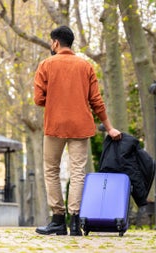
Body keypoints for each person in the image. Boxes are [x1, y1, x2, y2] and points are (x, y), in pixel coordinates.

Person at [34, 25, 121, 236]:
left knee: (51, 170)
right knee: (78, 172)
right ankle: (74, 222)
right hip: (81, 126)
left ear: (55, 43)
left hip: (54, 126)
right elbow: (96, 101)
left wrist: (55, 100)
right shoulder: (86, 66)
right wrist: (109, 128)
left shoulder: (45, 65)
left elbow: (38, 99)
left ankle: (57, 219)